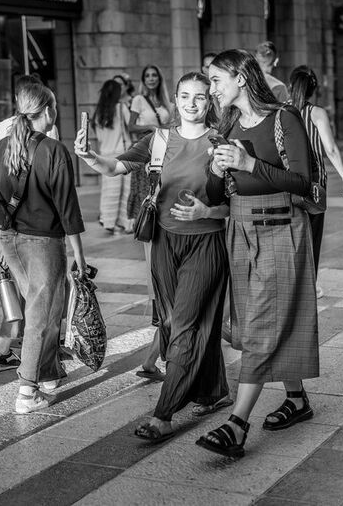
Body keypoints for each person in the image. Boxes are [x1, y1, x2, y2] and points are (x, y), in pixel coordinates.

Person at [75, 71, 232, 442]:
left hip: (206, 244)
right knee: (176, 321)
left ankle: (163, 414)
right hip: (163, 243)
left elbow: (234, 206)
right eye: (185, 96)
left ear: (209, 102)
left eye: (199, 97)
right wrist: (88, 155)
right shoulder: (159, 139)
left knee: (184, 325)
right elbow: (114, 167)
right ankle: (214, 392)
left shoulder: (221, 142)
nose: (191, 103)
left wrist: (205, 213)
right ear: (175, 100)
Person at [197, 49, 318, 458]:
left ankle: (236, 423)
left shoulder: (284, 119)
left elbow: (303, 181)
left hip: (281, 229)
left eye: (216, 80)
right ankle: (297, 399)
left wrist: (249, 162)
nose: (211, 88)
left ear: (241, 79)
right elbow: (216, 194)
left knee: (263, 323)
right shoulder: (228, 124)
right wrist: (215, 173)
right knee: (254, 324)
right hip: (239, 231)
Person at [0, 80, 87, 414]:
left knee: (38, 306)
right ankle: (27, 391)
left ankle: (46, 373)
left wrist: (0, 240)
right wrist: (80, 256)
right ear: (47, 110)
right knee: (41, 316)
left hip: (11, 239)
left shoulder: (4, 145)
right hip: (43, 241)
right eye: (55, 106)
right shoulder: (55, 150)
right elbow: (68, 208)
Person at [288, 65, 343, 298]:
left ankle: (292, 283)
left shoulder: (282, 111)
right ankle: (309, 286)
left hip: (287, 181)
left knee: (292, 233)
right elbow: (331, 149)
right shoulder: (316, 113)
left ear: (290, 86)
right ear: (313, 89)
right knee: (313, 234)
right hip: (314, 184)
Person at [127, 64, 173, 327]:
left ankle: (162, 299)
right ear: (143, 79)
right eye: (148, 76)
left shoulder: (165, 100)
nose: (152, 79)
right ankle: (155, 303)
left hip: (164, 156)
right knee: (149, 212)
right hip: (147, 154)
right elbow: (131, 125)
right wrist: (153, 128)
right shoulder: (138, 99)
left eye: (155, 75)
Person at [92, 79, 132, 234]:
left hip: (105, 155)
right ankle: (124, 223)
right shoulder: (121, 108)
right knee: (126, 192)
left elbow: (99, 135)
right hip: (122, 154)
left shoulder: (98, 113)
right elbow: (132, 125)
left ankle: (108, 221)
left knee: (109, 191)